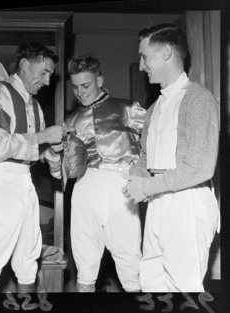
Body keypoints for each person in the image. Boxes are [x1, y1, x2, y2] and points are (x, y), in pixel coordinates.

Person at [0, 42, 73, 294]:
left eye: (50, 75)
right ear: (23, 64)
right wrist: (43, 137)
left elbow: (33, 150)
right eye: (43, 72)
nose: (47, 80)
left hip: (25, 184)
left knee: (28, 260)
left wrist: (54, 155)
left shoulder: (36, 106)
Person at [121, 24, 220, 292]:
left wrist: (146, 186)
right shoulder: (155, 107)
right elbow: (145, 156)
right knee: (151, 281)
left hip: (187, 203)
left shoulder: (199, 99)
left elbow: (200, 167)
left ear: (166, 53)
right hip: (157, 202)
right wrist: (138, 176)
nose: (141, 66)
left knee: (184, 287)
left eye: (144, 56)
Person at [64, 55, 146, 292]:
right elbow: (63, 166)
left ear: (99, 80)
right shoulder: (72, 119)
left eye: (86, 85)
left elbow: (155, 137)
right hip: (84, 184)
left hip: (119, 183)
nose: (80, 92)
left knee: (129, 255)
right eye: (75, 87)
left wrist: (143, 170)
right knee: (84, 255)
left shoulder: (127, 108)